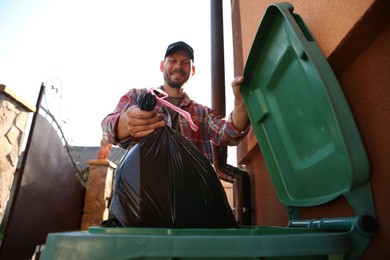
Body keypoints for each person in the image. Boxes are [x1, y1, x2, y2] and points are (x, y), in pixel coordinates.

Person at [101, 41, 249, 162]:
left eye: (185, 62)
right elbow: (106, 129)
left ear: (192, 71)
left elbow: (228, 134)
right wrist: (124, 122)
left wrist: (241, 102)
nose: (178, 66)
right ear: (161, 66)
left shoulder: (202, 113)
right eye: (172, 61)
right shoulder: (137, 96)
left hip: (190, 192)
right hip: (142, 191)